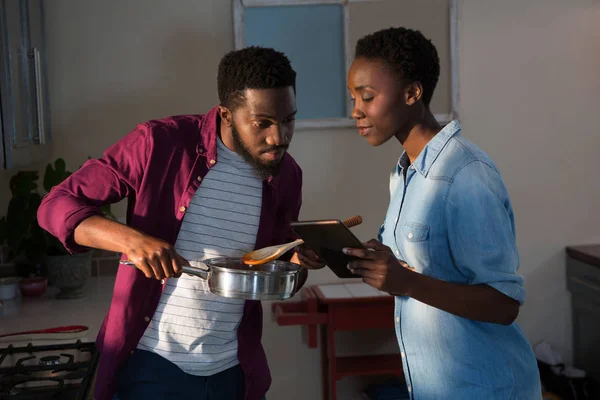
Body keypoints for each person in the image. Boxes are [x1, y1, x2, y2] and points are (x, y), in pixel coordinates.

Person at [37, 46, 322, 400]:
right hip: (152, 367)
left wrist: (296, 263)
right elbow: (55, 206)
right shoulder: (159, 143)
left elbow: (274, 270)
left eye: (288, 120)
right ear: (227, 114)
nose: (278, 137)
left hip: (235, 373)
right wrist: (132, 241)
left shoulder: (286, 176)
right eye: (262, 123)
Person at [342, 27, 542, 399]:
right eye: (353, 97)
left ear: (412, 93)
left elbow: (505, 304)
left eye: (367, 97)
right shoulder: (404, 174)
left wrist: (407, 283)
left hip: (487, 388)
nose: (356, 110)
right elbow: (422, 271)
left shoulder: (465, 174)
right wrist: (380, 262)